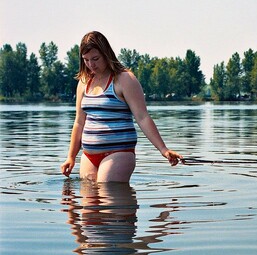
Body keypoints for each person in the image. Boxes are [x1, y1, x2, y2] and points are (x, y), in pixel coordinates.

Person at [61, 31, 182, 183]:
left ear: (106, 54)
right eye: (86, 60)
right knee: (88, 205)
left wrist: (163, 149)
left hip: (119, 153)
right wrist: (71, 157)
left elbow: (142, 117)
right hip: (89, 155)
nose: (91, 65)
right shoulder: (84, 82)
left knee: (107, 193)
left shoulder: (124, 79)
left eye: (95, 59)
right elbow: (79, 122)